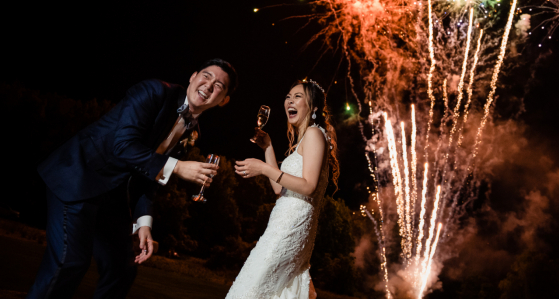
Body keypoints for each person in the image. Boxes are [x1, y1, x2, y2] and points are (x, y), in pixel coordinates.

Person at [27, 58, 237, 299]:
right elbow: (123, 146)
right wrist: (178, 167)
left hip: (111, 196)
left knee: (123, 267)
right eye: (206, 76)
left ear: (224, 100)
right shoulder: (154, 91)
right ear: (193, 77)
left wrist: (143, 222)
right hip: (79, 177)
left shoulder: (193, 131)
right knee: (70, 262)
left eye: (219, 85)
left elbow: (149, 175)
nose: (209, 85)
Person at [227, 79, 339, 299]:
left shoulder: (315, 134)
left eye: (298, 96)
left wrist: (262, 168)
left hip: (292, 227)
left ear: (314, 106)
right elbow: (279, 189)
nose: (290, 100)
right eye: (288, 96)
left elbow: (308, 186)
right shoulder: (304, 140)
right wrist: (268, 147)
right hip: (281, 224)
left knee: (252, 287)